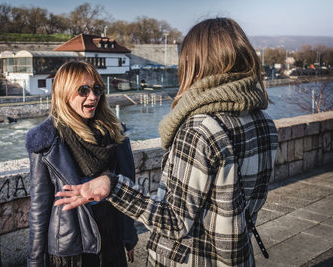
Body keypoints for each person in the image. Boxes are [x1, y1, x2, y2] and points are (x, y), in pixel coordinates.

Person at [55, 18, 278, 266]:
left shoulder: (200, 130)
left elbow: (174, 221)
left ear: (195, 64)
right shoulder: (265, 123)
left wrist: (113, 186)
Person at [25, 61, 137, 267]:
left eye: (97, 89)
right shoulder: (46, 140)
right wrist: (35, 262)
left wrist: (129, 237)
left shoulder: (115, 133)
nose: (93, 97)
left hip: (111, 237)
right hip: (70, 248)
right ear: (64, 93)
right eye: (83, 90)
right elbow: (39, 209)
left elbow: (128, 183)